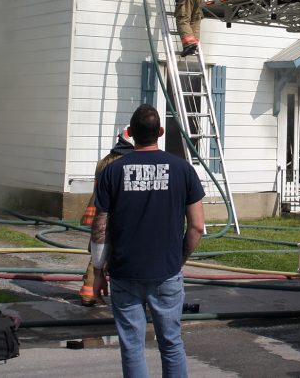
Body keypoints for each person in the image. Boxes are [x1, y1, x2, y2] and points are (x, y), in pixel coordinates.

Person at [91, 104, 206, 378]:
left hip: (124, 271)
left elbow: (100, 228)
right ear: (161, 132)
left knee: (131, 346)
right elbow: (198, 227)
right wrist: (179, 260)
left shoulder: (112, 171)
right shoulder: (183, 170)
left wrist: (97, 272)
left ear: (130, 133)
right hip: (166, 272)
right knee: (171, 343)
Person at [79, 126, 135, 305]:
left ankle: (88, 293)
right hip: (114, 213)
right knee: (112, 252)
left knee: (98, 254)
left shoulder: (104, 160)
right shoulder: (125, 162)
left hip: (99, 212)